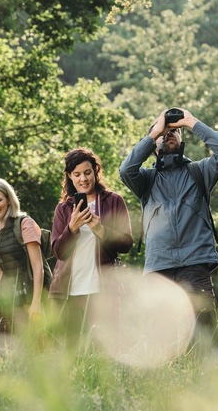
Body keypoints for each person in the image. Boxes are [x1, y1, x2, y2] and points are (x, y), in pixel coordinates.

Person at [119, 108, 218, 346]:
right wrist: (154, 134)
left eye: (175, 132)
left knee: (202, 332)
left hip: (195, 263)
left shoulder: (199, 171)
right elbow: (125, 170)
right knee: (160, 335)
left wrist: (192, 122)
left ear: (182, 138)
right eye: (164, 132)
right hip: (159, 266)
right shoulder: (146, 180)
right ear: (153, 144)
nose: (169, 134)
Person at [49, 147, 133, 346]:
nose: (83, 179)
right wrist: (72, 228)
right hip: (69, 292)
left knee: (105, 348)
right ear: (70, 177)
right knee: (70, 351)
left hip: (103, 290)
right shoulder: (63, 209)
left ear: (96, 170)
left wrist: (100, 229)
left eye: (87, 173)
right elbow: (58, 252)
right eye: (76, 175)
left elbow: (126, 243)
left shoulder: (114, 201)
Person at [0, 178, 44, 341]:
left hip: (22, 307)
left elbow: (38, 267)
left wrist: (36, 303)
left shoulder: (23, 224)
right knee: (1, 363)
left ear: (8, 200)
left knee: (27, 359)